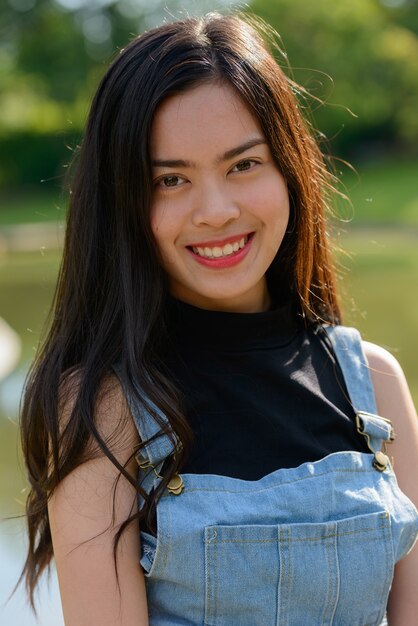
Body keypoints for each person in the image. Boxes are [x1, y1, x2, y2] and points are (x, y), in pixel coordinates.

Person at [20, 11, 418, 626]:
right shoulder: (105, 409)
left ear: (289, 170)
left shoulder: (374, 385)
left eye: (243, 165)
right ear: (123, 202)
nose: (215, 211)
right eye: (170, 180)